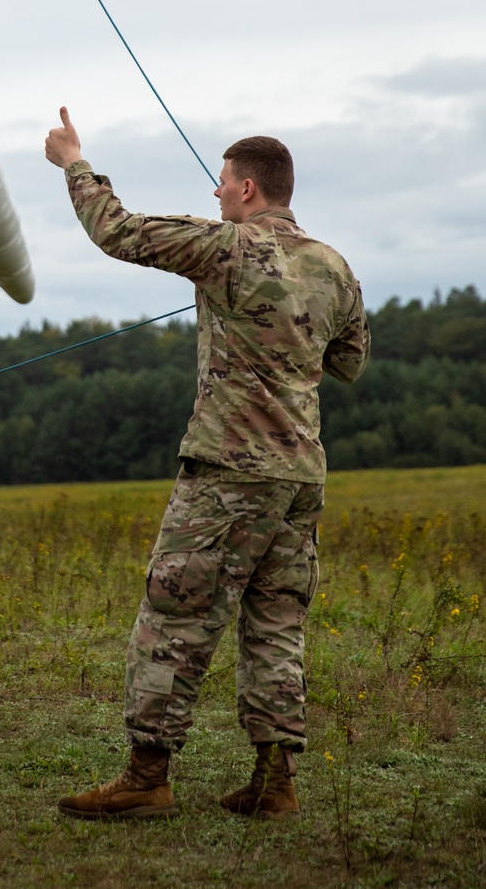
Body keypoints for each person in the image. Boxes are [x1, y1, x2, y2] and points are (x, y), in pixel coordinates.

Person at [44, 109, 369, 821]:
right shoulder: (335, 265)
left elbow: (117, 231)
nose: (216, 194)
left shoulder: (227, 248)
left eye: (222, 184)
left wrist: (73, 160)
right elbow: (348, 363)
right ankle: (275, 782)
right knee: (276, 624)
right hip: (301, 478)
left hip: (228, 471)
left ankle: (146, 777)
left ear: (248, 189)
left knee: (174, 614)